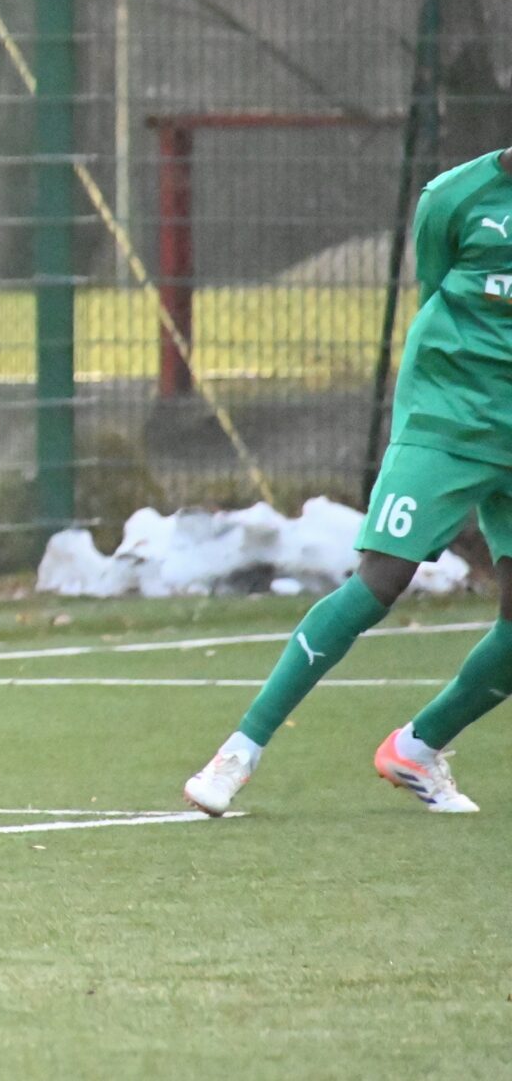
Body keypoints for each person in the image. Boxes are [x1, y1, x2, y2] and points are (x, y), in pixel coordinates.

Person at [186, 147, 512, 817]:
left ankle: (417, 748)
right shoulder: (453, 198)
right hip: (447, 419)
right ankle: (238, 752)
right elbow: (433, 291)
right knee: (381, 580)